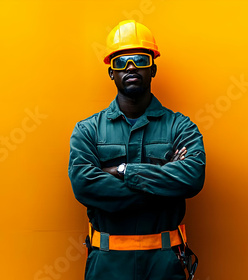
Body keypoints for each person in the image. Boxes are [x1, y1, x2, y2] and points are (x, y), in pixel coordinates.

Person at [68, 20, 206, 280]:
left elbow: (192, 178)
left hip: (164, 263)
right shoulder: (88, 130)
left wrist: (122, 171)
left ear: (152, 69)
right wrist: (164, 179)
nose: (130, 67)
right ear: (111, 72)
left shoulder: (181, 127)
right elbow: (84, 185)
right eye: (121, 62)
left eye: (140, 60)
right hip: (107, 264)